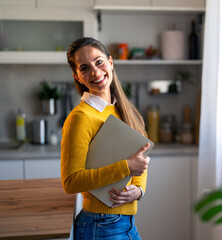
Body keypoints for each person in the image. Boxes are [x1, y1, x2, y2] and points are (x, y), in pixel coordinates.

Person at [61, 37, 150, 240]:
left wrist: (139, 189)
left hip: (126, 223)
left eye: (98, 62)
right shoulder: (81, 117)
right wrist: (126, 167)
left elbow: (140, 159)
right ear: (77, 77)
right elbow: (71, 182)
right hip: (99, 225)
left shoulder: (125, 110)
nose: (94, 72)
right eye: (84, 68)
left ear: (110, 62)